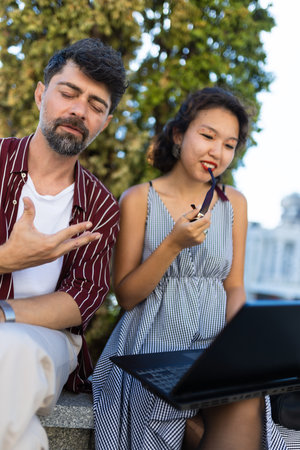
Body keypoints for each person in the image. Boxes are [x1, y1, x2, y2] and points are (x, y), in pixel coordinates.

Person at [92, 87, 288, 449]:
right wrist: (173, 244)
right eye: (208, 136)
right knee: (183, 420)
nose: (217, 151)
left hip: (215, 346)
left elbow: (234, 286)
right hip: (152, 344)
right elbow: (127, 295)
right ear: (180, 136)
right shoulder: (139, 199)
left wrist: (237, 348)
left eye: (229, 144)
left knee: (245, 399)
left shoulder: (235, 204)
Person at [0, 38, 127, 449]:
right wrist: (8, 258)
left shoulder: (101, 205)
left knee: (11, 348)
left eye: (95, 105)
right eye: (68, 93)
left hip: (48, 337)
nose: (78, 111)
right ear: (41, 94)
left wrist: (4, 314)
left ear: (105, 122)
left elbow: (82, 299)